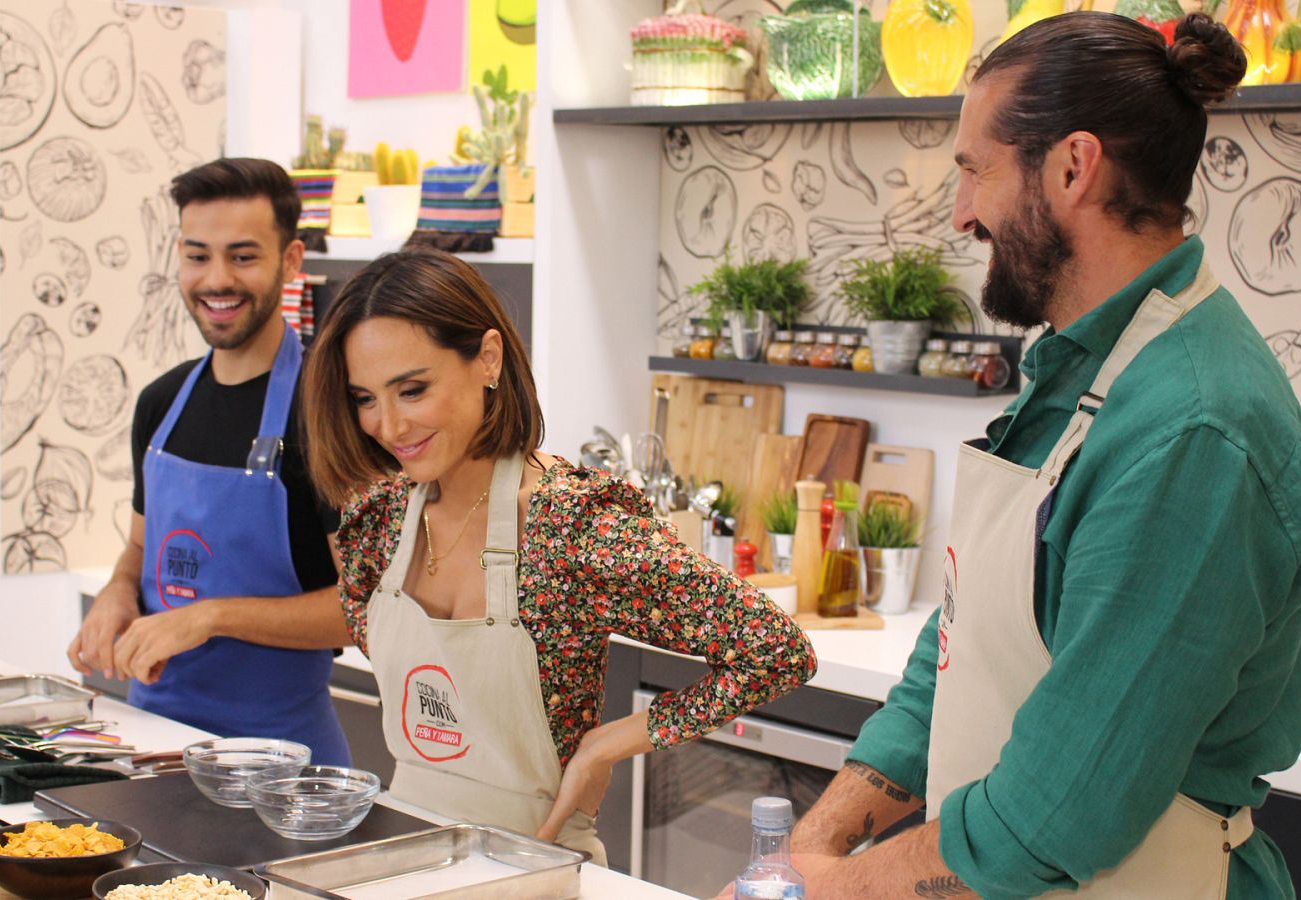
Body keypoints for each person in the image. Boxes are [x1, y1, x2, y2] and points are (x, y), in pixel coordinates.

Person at [772, 14, 1301, 899]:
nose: (960, 214)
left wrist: (832, 892)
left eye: (974, 171)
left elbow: (1056, 813)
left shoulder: (1195, 430)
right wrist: (814, 844)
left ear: (1073, 167)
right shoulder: (1082, 362)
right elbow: (956, 650)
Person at [300, 247, 817, 862]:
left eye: (412, 390)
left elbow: (774, 651)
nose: (388, 425)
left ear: (488, 358)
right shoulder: (379, 522)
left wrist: (607, 744)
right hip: (408, 855)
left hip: (536, 867)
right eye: (364, 399)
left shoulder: (567, 526)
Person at [66, 158, 350, 766]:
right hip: (149, 745)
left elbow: (366, 612)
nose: (216, 279)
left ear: (291, 261)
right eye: (198, 256)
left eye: (243, 256)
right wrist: (117, 591)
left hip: (282, 764)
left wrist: (211, 618)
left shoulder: (328, 416)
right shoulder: (161, 404)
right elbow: (142, 552)